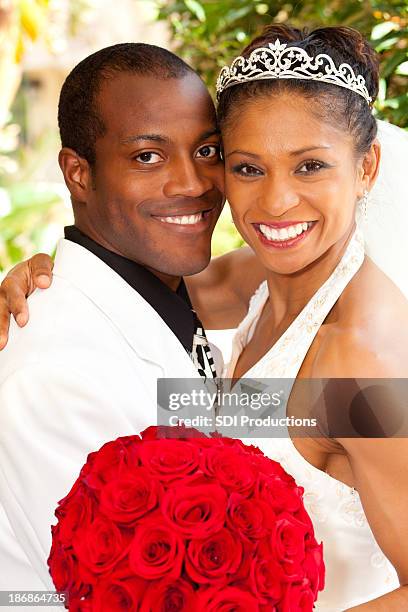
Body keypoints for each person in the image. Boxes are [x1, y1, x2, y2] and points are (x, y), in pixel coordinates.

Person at [2, 26, 408, 611]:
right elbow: (123, 288)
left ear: (367, 167)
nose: (274, 203)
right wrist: (42, 274)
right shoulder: (257, 283)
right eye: (246, 167)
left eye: (310, 166)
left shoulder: (362, 359)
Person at [0, 42, 241, 599]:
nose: (194, 183)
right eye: (148, 157)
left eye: (207, 150)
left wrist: (380, 408)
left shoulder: (162, 300)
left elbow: (254, 413)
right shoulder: (55, 379)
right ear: (78, 173)